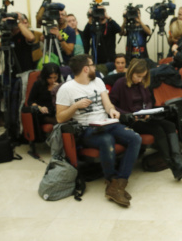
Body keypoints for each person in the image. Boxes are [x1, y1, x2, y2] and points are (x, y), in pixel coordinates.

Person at [55, 54, 141, 207]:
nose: (95, 67)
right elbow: (60, 118)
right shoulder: (66, 88)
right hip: (87, 129)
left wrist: (112, 111)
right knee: (107, 140)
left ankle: (117, 184)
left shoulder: (98, 81)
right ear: (86, 69)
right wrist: (75, 106)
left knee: (135, 138)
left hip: (107, 122)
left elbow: (107, 104)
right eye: (92, 65)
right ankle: (111, 179)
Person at [110, 59, 182, 180]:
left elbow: (149, 101)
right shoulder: (120, 83)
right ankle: (173, 166)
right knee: (158, 129)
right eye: (138, 76)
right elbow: (112, 105)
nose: (140, 79)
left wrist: (148, 111)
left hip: (144, 117)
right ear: (131, 73)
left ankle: (178, 162)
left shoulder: (143, 83)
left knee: (170, 125)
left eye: (142, 77)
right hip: (131, 120)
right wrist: (127, 114)